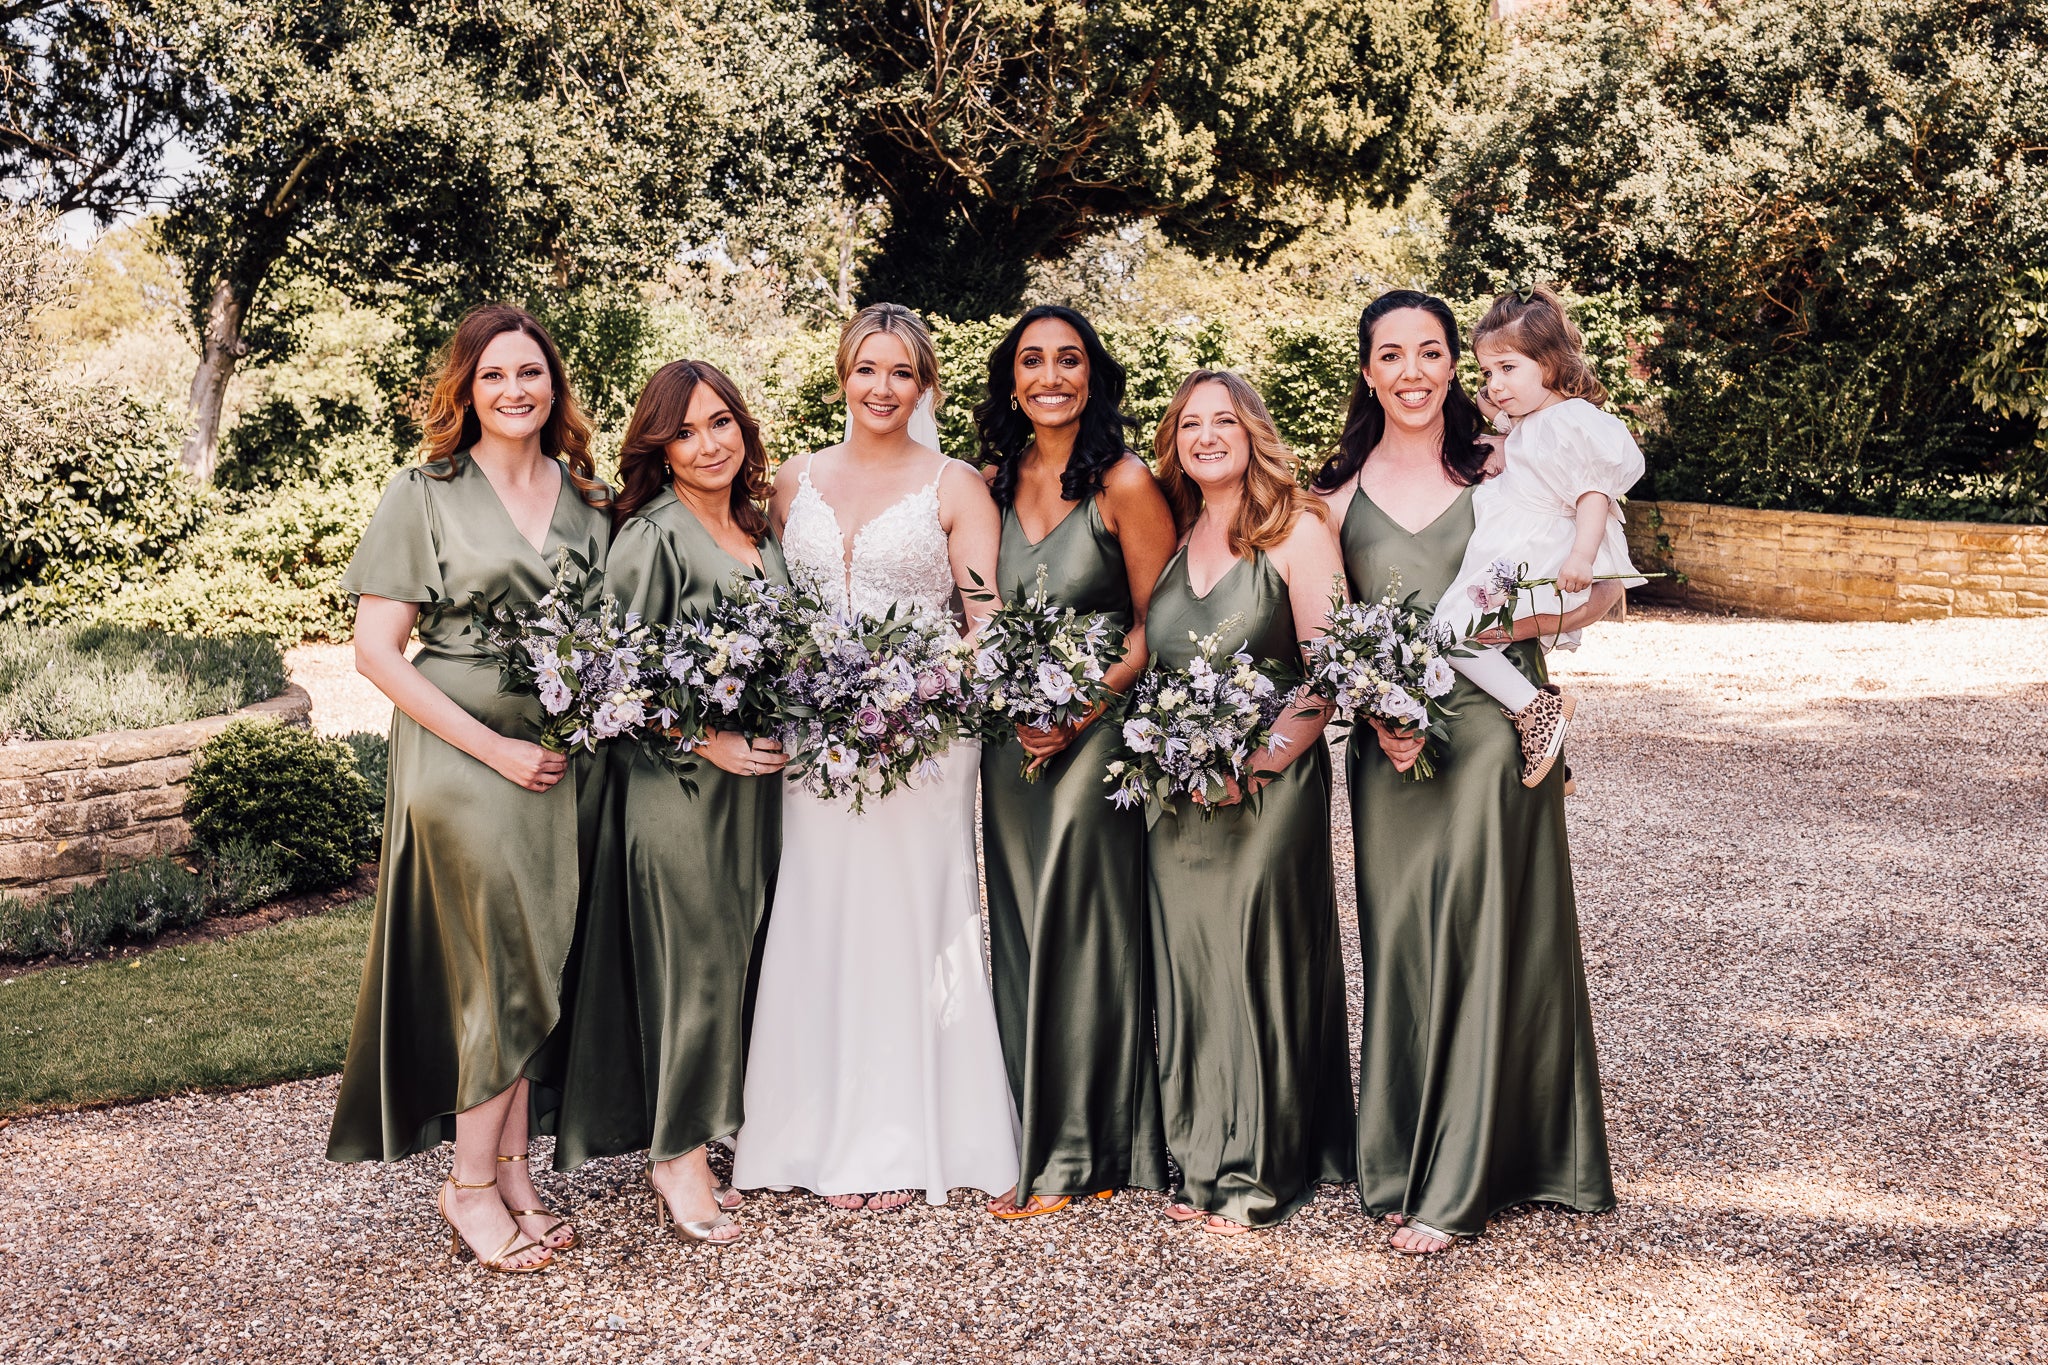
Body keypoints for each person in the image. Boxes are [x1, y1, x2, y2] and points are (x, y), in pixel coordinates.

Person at [1310, 289, 1617, 1257]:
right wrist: (1375, 710)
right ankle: (1401, 1155)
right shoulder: (1333, 494)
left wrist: (1527, 624)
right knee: (1400, 940)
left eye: (1430, 353)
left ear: (1454, 366)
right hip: (1387, 745)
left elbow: (1602, 585)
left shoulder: (1501, 461)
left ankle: (1458, 1183)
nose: (1411, 371)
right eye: (1390, 355)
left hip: (1496, 734)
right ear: (1366, 371)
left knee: (1487, 938)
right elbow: (1322, 636)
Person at [325, 304, 613, 1273]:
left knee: (537, 954)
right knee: (508, 964)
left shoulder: (586, 502)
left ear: (554, 386)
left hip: (554, 757)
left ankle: (515, 1173)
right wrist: (492, 750)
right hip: (461, 760)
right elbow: (375, 650)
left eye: (530, 373)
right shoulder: (426, 490)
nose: (515, 390)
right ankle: (469, 1188)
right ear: (466, 388)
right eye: (494, 376)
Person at [732, 302, 1020, 1211]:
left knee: (908, 921)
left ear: (923, 384)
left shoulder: (956, 485)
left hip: (924, 741)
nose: (882, 388)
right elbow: (773, 611)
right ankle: (810, 1130)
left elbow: (986, 626)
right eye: (867, 369)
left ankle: (903, 1138)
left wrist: (916, 694)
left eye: (901, 373)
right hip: (815, 736)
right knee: (819, 915)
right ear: (843, 376)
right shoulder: (794, 481)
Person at [545, 361, 789, 1245]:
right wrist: (709, 740)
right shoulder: (651, 535)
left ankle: (715, 1120)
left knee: (738, 952)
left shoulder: (761, 530)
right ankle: (675, 1152)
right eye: (684, 431)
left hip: (758, 797)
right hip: (678, 790)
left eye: (721, 422)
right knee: (692, 964)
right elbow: (613, 679)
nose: (709, 443)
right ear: (659, 446)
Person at [971, 306, 1178, 1219]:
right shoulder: (989, 481)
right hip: (1008, 735)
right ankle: (1030, 1128)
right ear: (1011, 380)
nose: (1050, 375)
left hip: (1095, 737)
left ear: (1092, 374)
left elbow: (1154, 621)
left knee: (1082, 924)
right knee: (1018, 926)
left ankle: (1082, 1148)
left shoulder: (1125, 483)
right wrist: (1020, 703)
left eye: (1068, 359)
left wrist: (1078, 705)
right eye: (1032, 361)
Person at [1143, 370, 1356, 1236]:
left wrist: (1257, 761)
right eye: (1189, 423)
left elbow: (1329, 672)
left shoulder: (1298, 527)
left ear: (1253, 430)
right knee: (1190, 965)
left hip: (1269, 789)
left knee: (1254, 956)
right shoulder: (1175, 528)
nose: (1204, 436)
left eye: (1222, 420)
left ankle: (1257, 1165)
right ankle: (1197, 1148)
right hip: (1178, 793)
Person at [1432, 284, 1648, 786]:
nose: (1497, 384)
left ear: (1549, 364)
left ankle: (1537, 711)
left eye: (1509, 368)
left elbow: (1594, 492)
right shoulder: (1532, 416)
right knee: (1462, 635)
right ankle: (1538, 718)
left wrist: (1582, 556)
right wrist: (1489, 398)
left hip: (1543, 548)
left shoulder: (1569, 419)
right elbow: (1496, 409)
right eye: (1488, 372)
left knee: (1450, 634)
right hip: (1523, 541)